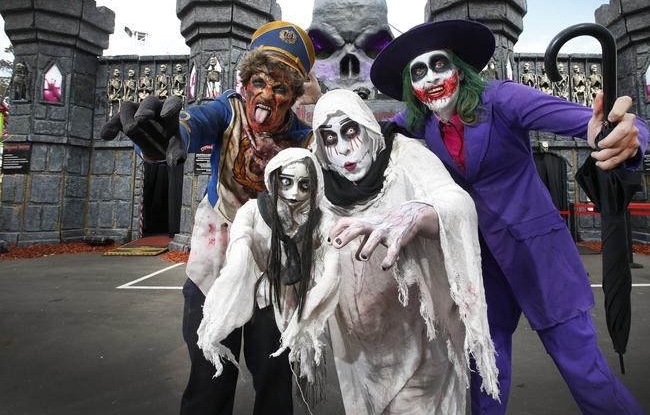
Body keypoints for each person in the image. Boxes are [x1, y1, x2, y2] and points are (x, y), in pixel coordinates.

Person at [368, 19, 647, 414]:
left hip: (542, 259)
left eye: (439, 65)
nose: (430, 78)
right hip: (481, 270)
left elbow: (598, 125)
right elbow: (369, 134)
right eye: (418, 72)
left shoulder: (503, 98)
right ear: (410, 87)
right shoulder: (417, 124)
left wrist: (626, 139)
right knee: (485, 376)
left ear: (459, 69)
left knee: (586, 375)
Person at [198, 90, 499, 415]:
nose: (342, 148)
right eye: (329, 137)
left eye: (350, 131)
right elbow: (285, 219)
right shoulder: (319, 178)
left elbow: (452, 198)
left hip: (418, 337)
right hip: (358, 349)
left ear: (366, 125)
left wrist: (416, 214)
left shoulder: (402, 154)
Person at [100, 20, 318, 415]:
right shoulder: (228, 109)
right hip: (214, 266)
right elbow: (195, 121)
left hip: (273, 272)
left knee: (274, 380)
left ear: (293, 96)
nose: (266, 95)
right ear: (245, 81)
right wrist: (165, 137)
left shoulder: (305, 139)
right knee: (210, 377)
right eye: (258, 82)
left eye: (280, 87)